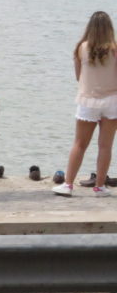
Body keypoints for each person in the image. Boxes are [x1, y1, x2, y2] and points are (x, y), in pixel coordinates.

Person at [53, 11, 117, 197]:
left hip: (88, 100)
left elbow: (78, 76)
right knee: (105, 146)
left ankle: (68, 185)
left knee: (79, 144)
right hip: (112, 100)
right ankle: (99, 187)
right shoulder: (114, 48)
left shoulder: (81, 48)